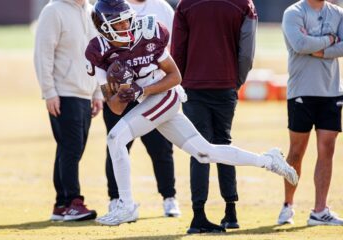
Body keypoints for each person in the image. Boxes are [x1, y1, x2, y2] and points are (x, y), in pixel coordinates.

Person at [85, 0, 298, 228]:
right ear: (104, 26)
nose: (127, 25)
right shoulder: (97, 52)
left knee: (116, 138)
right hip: (147, 101)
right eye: (119, 23)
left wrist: (141, 89)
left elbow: (175, 77)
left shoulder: (149, 33)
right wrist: (123, 86)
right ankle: (268, 160)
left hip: (166, 95)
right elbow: (116, 108)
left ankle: (126, 204)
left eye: (128, 18)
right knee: (205, 153)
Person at [171, 0, 257, 231]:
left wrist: (179, 83)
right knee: (223, 143)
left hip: (193, 86)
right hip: (226, 84)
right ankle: (231, 212)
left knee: (199, 149)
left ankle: (198, 215)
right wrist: (235, 81)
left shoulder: (185, 4)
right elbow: (247, 51)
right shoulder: (243, 4)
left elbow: (177, 49)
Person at [102, 0, 180, 218]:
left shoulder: (162, 7)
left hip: (152, 90)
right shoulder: (113, 6)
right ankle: (116, 199)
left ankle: (169, 197)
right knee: (117, 144)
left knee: (161, 147)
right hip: (120, 89)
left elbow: (172, 45)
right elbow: (100, 49)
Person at [34, 0, 103, 222]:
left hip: (85, 93)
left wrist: (97, 92)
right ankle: (74, 202)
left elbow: (98, 55)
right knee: (71, 148)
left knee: (71, 149)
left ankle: (61, 205)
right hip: (63, 93)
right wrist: (49, 91)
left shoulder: (92, 11)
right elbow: (43, 54)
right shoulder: (53, 11)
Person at [278, 0, 343, 226]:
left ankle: (320, 210)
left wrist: (318, 50)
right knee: (296, 152)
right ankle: (288, 205)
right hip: (301, 91)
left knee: (327, 149)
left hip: (332, 92)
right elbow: (299, 44)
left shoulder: (338, 13)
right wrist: (331, 40)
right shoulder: (293, 13)